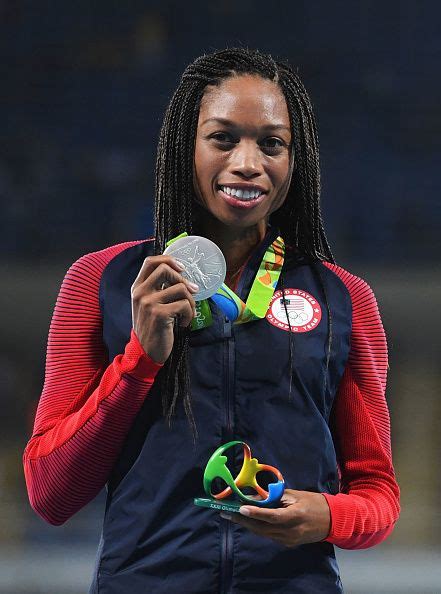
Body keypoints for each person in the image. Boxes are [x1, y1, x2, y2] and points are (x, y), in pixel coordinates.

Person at [23, 47, 400, 593]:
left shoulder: (344, 299)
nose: (248, 163)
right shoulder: (102, 281)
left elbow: (379, 495)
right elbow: (50, 494)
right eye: (223, 138)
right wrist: (140, 362)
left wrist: (327, 516)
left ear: (296, 160)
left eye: (272, 143)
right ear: (185, 147)